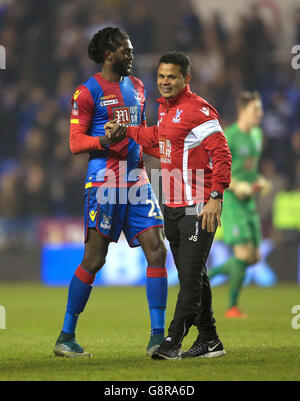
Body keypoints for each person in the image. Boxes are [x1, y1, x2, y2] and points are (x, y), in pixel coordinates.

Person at [105, 51, 232, 360]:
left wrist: (216, 197)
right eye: (161, 76)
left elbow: (222, 154)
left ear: (186, 79)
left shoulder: (198, 111)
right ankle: (210, 339)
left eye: (171, 76)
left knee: (188, 279)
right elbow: (158, 140)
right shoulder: (165, 111)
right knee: (196, 275)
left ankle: (172, 340)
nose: (165, 81)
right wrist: (127, 132)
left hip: (197, 207)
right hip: (172, 207)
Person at [54, 27, 168, 358]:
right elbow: (75, 143)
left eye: (131, 51)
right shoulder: (86, 92)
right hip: (104, 182)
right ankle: (66, 336)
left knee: (157, 251)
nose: (131, 56)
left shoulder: (138, 87)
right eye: (126, 51)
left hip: (137, 180)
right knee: (94, 258)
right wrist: (104, 140)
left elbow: (143, 134)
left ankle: (158, 337)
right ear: (108, 54)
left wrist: (169, 151)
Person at [208, 91, 271, 318]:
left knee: (254, 257)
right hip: (232, 202)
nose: (260, 114)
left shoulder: (257, 135)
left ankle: (204, 277)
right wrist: (235, 185)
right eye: (256, 110)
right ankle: (232, 307)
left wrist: (258, 181)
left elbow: (250, 168)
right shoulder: (229, 136)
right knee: (243, 255)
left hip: (250, 203)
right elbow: (216, 170)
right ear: (243, 111)